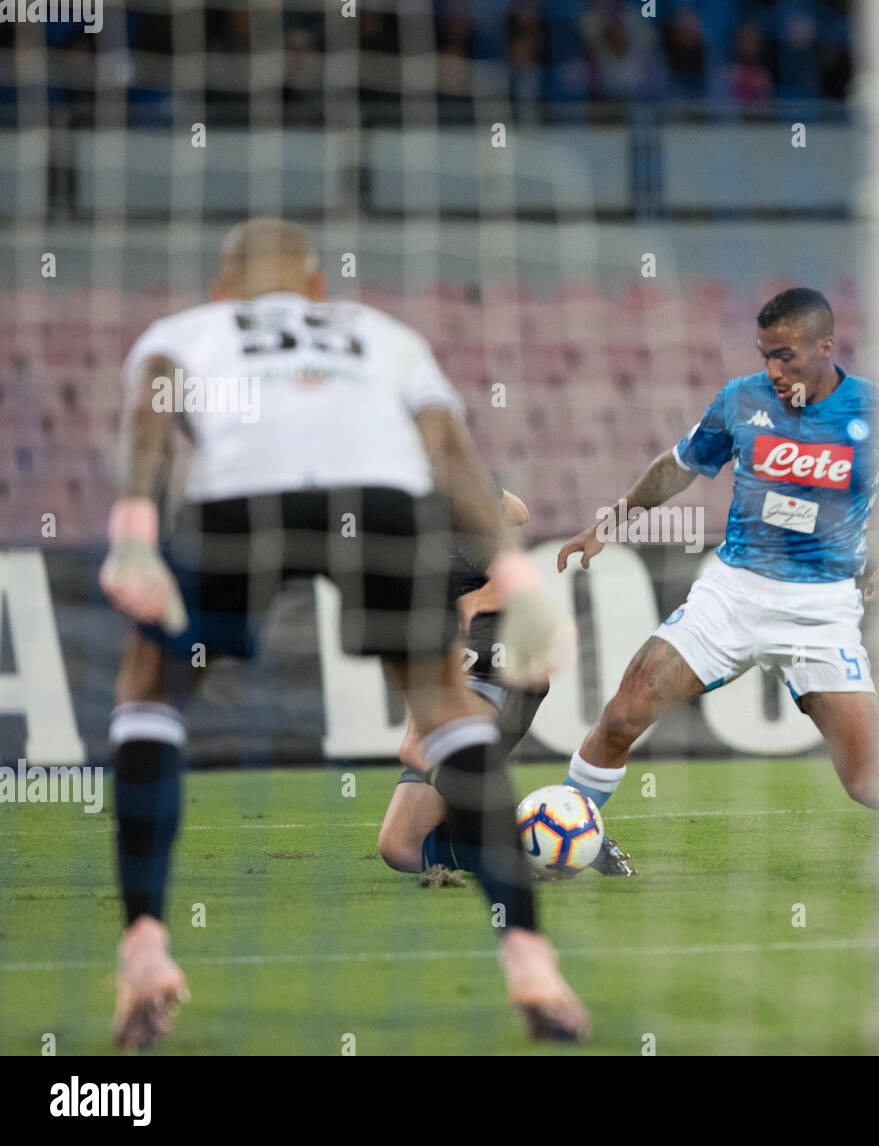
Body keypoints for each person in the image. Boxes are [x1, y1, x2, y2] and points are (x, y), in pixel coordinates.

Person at [99, 217, 586, 1048]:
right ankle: (530, 958)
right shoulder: (380, 333)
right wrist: (517, 578)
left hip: (240, 499)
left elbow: (150, 420)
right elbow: (453, 455)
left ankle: (144, 949)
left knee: (150, 694)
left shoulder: (185, 331)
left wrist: (137, 531)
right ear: (320, 288)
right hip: (380, 500)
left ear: (221, 289)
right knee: (448, 711)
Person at [556, 287, 879, 874]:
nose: (773, 369)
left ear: (825, 347)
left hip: (821, 610)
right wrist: (612, 521)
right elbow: (679, 467)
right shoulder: (741, 400)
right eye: (765, 354)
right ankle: (579, 839)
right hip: (733, 593)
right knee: (622, 715)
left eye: (785, 355)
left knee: (868, 780)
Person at [377, 487, 553, 879]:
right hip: (467, 668)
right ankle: (535, 844)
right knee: (400, 848)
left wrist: (472, 602)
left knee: (418, 751)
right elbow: (519, 510)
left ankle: (544, 840)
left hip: (490, 669)